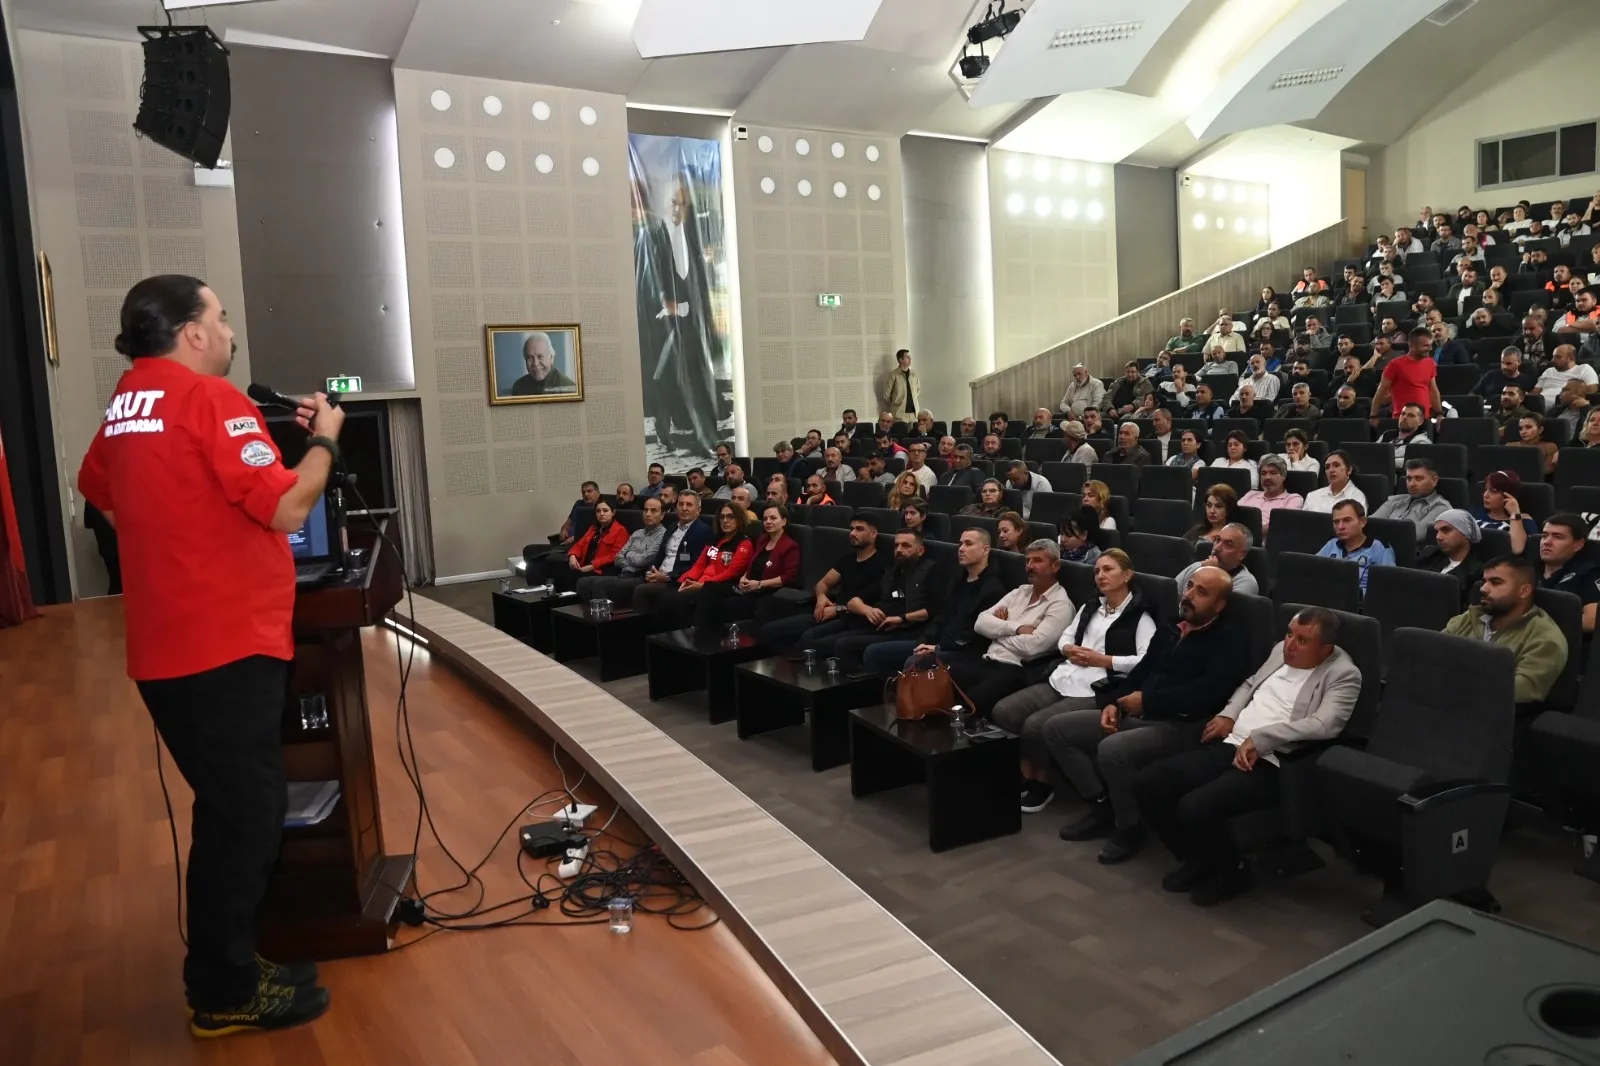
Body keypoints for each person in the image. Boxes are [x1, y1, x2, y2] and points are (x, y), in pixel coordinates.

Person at [75, 274, 338, 1033]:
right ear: (191, 333)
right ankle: (222, 992)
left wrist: (179, 539)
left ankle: (231, 963)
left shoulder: (128, 402)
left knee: (228, 811)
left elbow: (99, 491)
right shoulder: (210, 399)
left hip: (166, 647)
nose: (228, 332)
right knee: (245, 819)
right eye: (220, 318)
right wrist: (324, 441)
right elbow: (287, 506)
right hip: (226, 644)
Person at [1136, 608, 1361, 906]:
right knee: (1150, 782)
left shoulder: (1344, 674)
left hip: (1273, 762)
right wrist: (1229, 715)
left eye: (1302, 640)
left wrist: (1262, 738)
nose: (1290, 644)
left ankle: (1234, 873)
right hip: (1231, 744)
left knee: (1196, 805)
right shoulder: (1280, 651)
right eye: (1289, 634)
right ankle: (1198, 858)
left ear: (1325, 649)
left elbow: (1325, 724)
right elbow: (1249, 684)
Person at [1043, 568, 1254, 864]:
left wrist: (1147, 701)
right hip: (1142, 711)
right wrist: (1115, 703)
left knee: (1113, 749)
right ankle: (1103, 806)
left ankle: (1129, 828)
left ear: (1219, 605)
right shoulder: (1172, 627)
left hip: (1184, 723)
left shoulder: (1229, 639)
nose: (1189, 595)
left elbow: (1209, 692)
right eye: (1189, 586)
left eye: (1201, 592)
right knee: (1056, 729)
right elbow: (1142, 672)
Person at [994, 550, 1157, 813]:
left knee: (1036, 724)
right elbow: (1066, 637)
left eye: (1108, 570)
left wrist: (1105, 660)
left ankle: (1043, 782)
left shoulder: (1141, 617)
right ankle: (1027, 773)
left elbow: (1147, 660)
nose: (1100, 575)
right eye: (1097, 571)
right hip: (1064, 676)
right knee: (1004, 711)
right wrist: (1068, 649)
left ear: (1127, 575)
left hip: (1096, 687)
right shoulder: (1091, 606)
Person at [943, 540, 1077, 714]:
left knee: (967, 705)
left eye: (1037, 560)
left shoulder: (1061, 605)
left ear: (1055, 566)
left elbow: (1032, 647)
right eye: (1027, 560)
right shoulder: (1020, 591)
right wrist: (1017, 628)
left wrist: (996, 633)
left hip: (1016, 670)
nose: (1030, 566)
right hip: (987, 659)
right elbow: (980, 622)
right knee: (940, 680)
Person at [638, 179, 722, 453]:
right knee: (663, 377)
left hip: (690, 324)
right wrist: (671, 305)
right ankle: (665, 434)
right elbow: (649, 279)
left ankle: (703, 436)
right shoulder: (651, 234)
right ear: (664, 204)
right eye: (674, 202)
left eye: (683, 204)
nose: (678, 209)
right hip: (663, 323)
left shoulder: (693, 235)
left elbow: (699, 278)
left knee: (695, 376)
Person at [859, 529, 1006, 675]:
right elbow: (942, 617)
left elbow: (972, 637)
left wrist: (938, 648)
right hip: (940, 642)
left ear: (985, 550)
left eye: (968, 544)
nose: (961, 549)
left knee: (912, 661)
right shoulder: (958, 579)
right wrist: (923, 641)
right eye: (960, 544)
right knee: (875, 652)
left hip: (963, 652)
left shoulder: (993, 589)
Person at [1444, 557, 1570, 704]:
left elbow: (1522, 688)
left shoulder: (1545, 637)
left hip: (1494, 712)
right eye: (1484, 581)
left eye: (1496, 582)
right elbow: (1433, 655)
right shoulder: (1471, 617)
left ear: (1524, 591)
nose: (1483, 588)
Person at [758, 516, 885, 649]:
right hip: (828, 612)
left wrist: (837, 609)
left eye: (859, 529)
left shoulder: (881, 565)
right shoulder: (847, 560)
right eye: (851, 529)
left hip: (851, 619)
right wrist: (821, 597)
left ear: (873, 534)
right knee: (770, 630)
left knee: (807, 639)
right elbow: (822, 584)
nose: (853, 533)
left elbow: (871, 603)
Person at [832, 529, 941, 670]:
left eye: (906, 546)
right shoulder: (893, 572)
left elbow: (935, 609)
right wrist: (870, 610)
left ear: (920, 551)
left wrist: (901, 619)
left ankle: (865, 682)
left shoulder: (930, 570)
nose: (899, 550)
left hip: (911, 630)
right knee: (838, 640)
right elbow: (892, 596)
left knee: (846, 645)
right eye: (896, 546)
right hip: (885, 625)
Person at [640, 501, 753, 629]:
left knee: (675, 600)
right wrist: (685, 580)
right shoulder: (715, 540)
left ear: (739, 519)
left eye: (730, 517)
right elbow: (699, 565)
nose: (725, 521)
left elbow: (731, 573)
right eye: (722, 517)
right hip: (701, 582)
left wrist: (702, 585)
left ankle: (685, 635)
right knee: (665, 596)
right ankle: (664, 636)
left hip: (719, 587)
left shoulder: (744, 543)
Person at [694, 501, 802, 630]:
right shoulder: (763, 540)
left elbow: (789, 577)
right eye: (765, 519)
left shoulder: (790, 545)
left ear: (783, 521)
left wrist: (759, 584)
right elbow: (752, 564)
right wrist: (744, 577)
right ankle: (699, 631)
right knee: (710, 588)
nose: (768, 522)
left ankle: (702, 632)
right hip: (749, 588)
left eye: (773, 518)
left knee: (721, 606)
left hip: (765, 593)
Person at [576, 496, 667, 603]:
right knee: (583, 582)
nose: (648, 514)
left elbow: (643, 560)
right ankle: (585, 612)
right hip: (624, 573)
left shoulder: (663, 535)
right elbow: (618, 557)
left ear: (662, 515)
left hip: (640, 577)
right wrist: (629, 564)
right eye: (646, 510)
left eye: (653, 511)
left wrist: (628, 554)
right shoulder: (637, 533)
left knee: (599, 585)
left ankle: (603, 613)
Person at [631, 493, 712, 612]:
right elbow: (660, 554)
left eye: (689, 505)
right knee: (624, 585)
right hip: (658, 576)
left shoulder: (703, 531)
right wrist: (650, 571)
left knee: (641, 591)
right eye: (681, 504)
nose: (684, 508)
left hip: (676, 580)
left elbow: (694, 565)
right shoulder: (672, 527)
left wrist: (667, 577)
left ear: (698, 510)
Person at [537, 498, 628, 592]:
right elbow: (579, 545)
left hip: (601, 569)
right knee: (557, 570)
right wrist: (572, 556)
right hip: (584, 565)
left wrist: (593, 566)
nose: (601, 514)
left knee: (571, 577)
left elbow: (615, 555)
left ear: (613, 512)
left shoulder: (620, 531)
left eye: (605, 511)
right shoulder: (594, 528)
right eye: (598, 511)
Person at [1317, 500, 1395, 594]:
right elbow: (1312, 571)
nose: (1340, 527)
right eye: (1336, 522)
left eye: (1347, 520)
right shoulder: (1332, 544)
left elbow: (1387, 586)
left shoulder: (1380, 548)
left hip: (1360, 601)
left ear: (1362, 522)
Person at [1538, 515, 1598, 634]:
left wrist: (1539, 626)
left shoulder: (1588, 574)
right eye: (1544, 536)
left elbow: (1591, 621)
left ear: (1578, 544)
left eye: (1557, 537)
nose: (1547, 542)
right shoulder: (1527, 568)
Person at [1417, 509, 1487, 608]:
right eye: (1437, 531)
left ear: (1465, 533)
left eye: (1446, 530)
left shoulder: (1478, 572)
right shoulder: (1429, 554)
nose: (1438, 537)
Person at [1371, 327, 1440, 420]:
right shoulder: (1395, 365)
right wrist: (1373, 416)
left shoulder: (1430, 362)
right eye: (1426, 346)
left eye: (1430, 345)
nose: (1430, 348)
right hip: (1402, 419)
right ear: (1412, 345)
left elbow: (1433, 390)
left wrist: (1439, 413)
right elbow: (1380, 391)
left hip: (1425, 419)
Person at [1174, 523, 1259, 594]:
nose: (1216, 548)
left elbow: (1210, 607)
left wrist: (1209, 574)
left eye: (1228, 544)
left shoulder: (1245, 583)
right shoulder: (1196, 566)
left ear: (1241, 554)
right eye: (1217, 540)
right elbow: (1171, 597)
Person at [1373, 458, 1451, 535]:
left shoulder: (1441, 507)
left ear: (1434, 481)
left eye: (1419, 478)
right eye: (1409, 478)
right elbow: (1370, 525)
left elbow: (1413, 535)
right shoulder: (1394, 500)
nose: (1411, 484)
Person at [1471, 469, 1539, 555]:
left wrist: (1514, 514)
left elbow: (1517, 549)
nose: (1485, 495)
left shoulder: (1524, 520)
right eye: (1485, 489)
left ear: (1509, 495)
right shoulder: (1474, 513)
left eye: (1494, 491)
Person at [1239, 455, 1303, 535]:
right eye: (1263, 473)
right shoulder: (1251, 494)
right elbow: (1233, 515)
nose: (1267, 477)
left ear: (1283, 476)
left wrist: (1243, 530)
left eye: (1273, 473)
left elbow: (1279, 526)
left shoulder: (1293, 499)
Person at [509, 331, 578, 396]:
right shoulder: (518, 387)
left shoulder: (568, 388)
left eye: (540, 357)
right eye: (530, 358)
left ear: (551, 358)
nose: (535, 363)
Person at [1377, 402, 1433, 470]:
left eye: (1411, 415)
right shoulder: (1387, 434)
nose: (1405, 417)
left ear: (1420, 421)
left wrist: (1379, 461)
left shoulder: (1422, 442)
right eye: (1403, 414)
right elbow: (1372, 451)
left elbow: (1410, 462)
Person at [1509, 412, 1561, 477]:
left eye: (1528, 427)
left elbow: (1549, 469)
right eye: (1520, 428)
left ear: (1540, 430)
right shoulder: (1509, 446)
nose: (1523, 432)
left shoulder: (1549, 447)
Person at [878, 349, 920, 418]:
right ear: (901, 360)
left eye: (910, 357)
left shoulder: (914, 374)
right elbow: (886, 395)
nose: (910, 359)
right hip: (899, 415)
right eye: (907, 357)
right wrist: (897, 402)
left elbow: (918, 389)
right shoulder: (893, 375)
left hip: (914, 415)